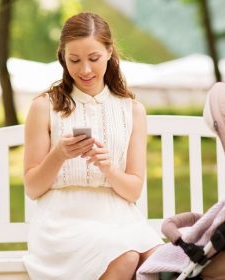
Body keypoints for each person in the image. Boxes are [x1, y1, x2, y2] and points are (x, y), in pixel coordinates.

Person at [22, 12, 163, 280]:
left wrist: (108, 168)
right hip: (63, 219)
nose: (85, 70)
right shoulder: (44, 107)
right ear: (63, 56)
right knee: (126, 256)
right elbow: (32, 187)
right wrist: (59, 154)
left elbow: (133, 190)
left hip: (119, 217)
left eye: (94, 58)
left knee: (159, 262)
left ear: (109, 52)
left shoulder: (132, 110)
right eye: (74, 60)